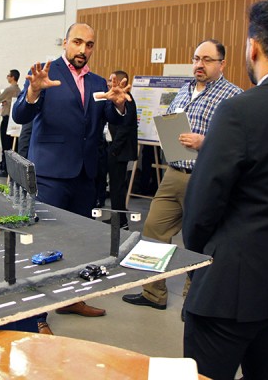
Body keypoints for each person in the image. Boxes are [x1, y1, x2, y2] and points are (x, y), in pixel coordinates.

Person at [181, 0, 268, 380]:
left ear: (252, 47)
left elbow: (202, 206)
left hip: (230, 290)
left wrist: (200, 250)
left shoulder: (240, 111)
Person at [13, 22, 131, 326]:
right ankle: (37, 317)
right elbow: (20, 115)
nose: (83, 49)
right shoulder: (44, 72)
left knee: (79, 242)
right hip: (51, 173)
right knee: (44, 244)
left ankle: (71, 299)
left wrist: (118, 106)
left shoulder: (98, 81)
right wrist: (33, 92)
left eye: (89, 44)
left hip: (84, 175)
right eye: (77, 42)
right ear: (65, 42)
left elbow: (112, 117)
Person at [122, 39, 242, 311]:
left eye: (207, 60)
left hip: (204, 178)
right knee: (153, 229)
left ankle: (194, 300)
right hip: (174, 172)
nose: (199, 64)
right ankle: (153, 293)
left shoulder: (232, 96)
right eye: (196, 58)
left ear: (222, 64)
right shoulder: (184, 90)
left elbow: (238, 143)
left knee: (197, 241)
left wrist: (205, 142)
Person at [106, 70, 138, 228]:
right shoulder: (112, 100)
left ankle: (121, 222)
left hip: (119, 151)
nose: (109, 83)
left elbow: (125, 128)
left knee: (117, 188)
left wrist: (113, 150)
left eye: (112, 80)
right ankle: (115, 218)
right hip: (112, 148)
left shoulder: (127, 100)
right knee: (113, 187)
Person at [0, 69, 21, 177]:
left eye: (8, 75)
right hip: (14, 120)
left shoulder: (8, 90)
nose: (7, 77)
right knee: (12, 146)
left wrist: (5, 101)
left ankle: (5, 169)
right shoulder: (19, 90)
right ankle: (11, 169)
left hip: (6, 119)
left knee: (5, 145)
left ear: (12, 77)